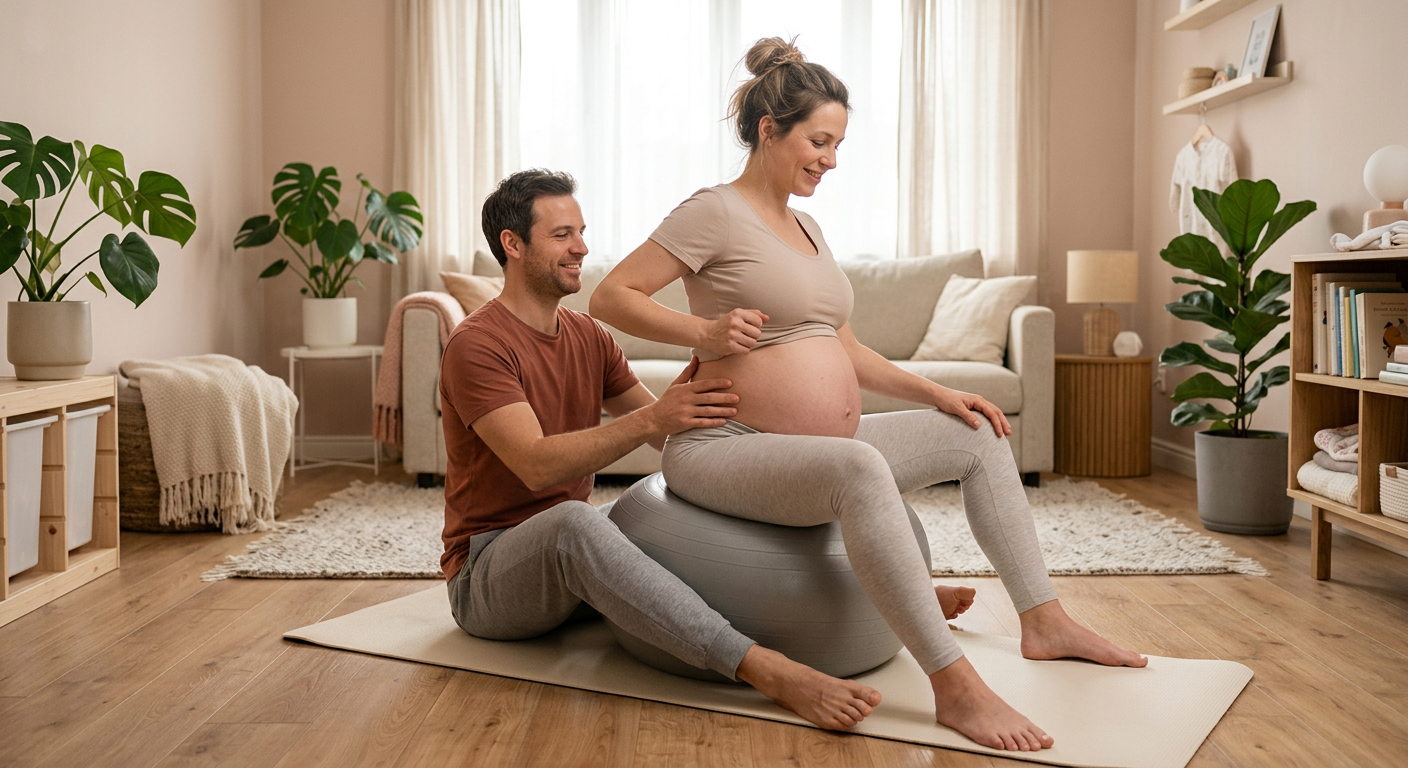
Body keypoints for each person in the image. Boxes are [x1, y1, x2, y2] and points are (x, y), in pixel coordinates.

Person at [589, 38, 1148, 753]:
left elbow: (845, 350)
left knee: (975, 434)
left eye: (838, 144)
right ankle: (955, 685)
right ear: (770, 131)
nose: (829, 159)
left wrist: (939, 392)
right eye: (819, 141)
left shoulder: (807, 226)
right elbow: (612, 295)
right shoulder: (714, 212)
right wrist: (704, 328)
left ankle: (1044, 620)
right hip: (724, 448)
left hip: (815, 449)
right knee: (861, 469)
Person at [440, 168, 977, 730]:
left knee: (670, 512)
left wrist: (721, 396)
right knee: (579, 523)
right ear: (512, 244)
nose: (582, 247)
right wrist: (657, 413)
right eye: (562, 235)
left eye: (581, 231)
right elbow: (535, 465)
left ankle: (887, 595)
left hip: (568, 559)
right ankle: (762, 668)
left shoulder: (588, 335)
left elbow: (661, 431)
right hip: (488, 571)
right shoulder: (478, 345)